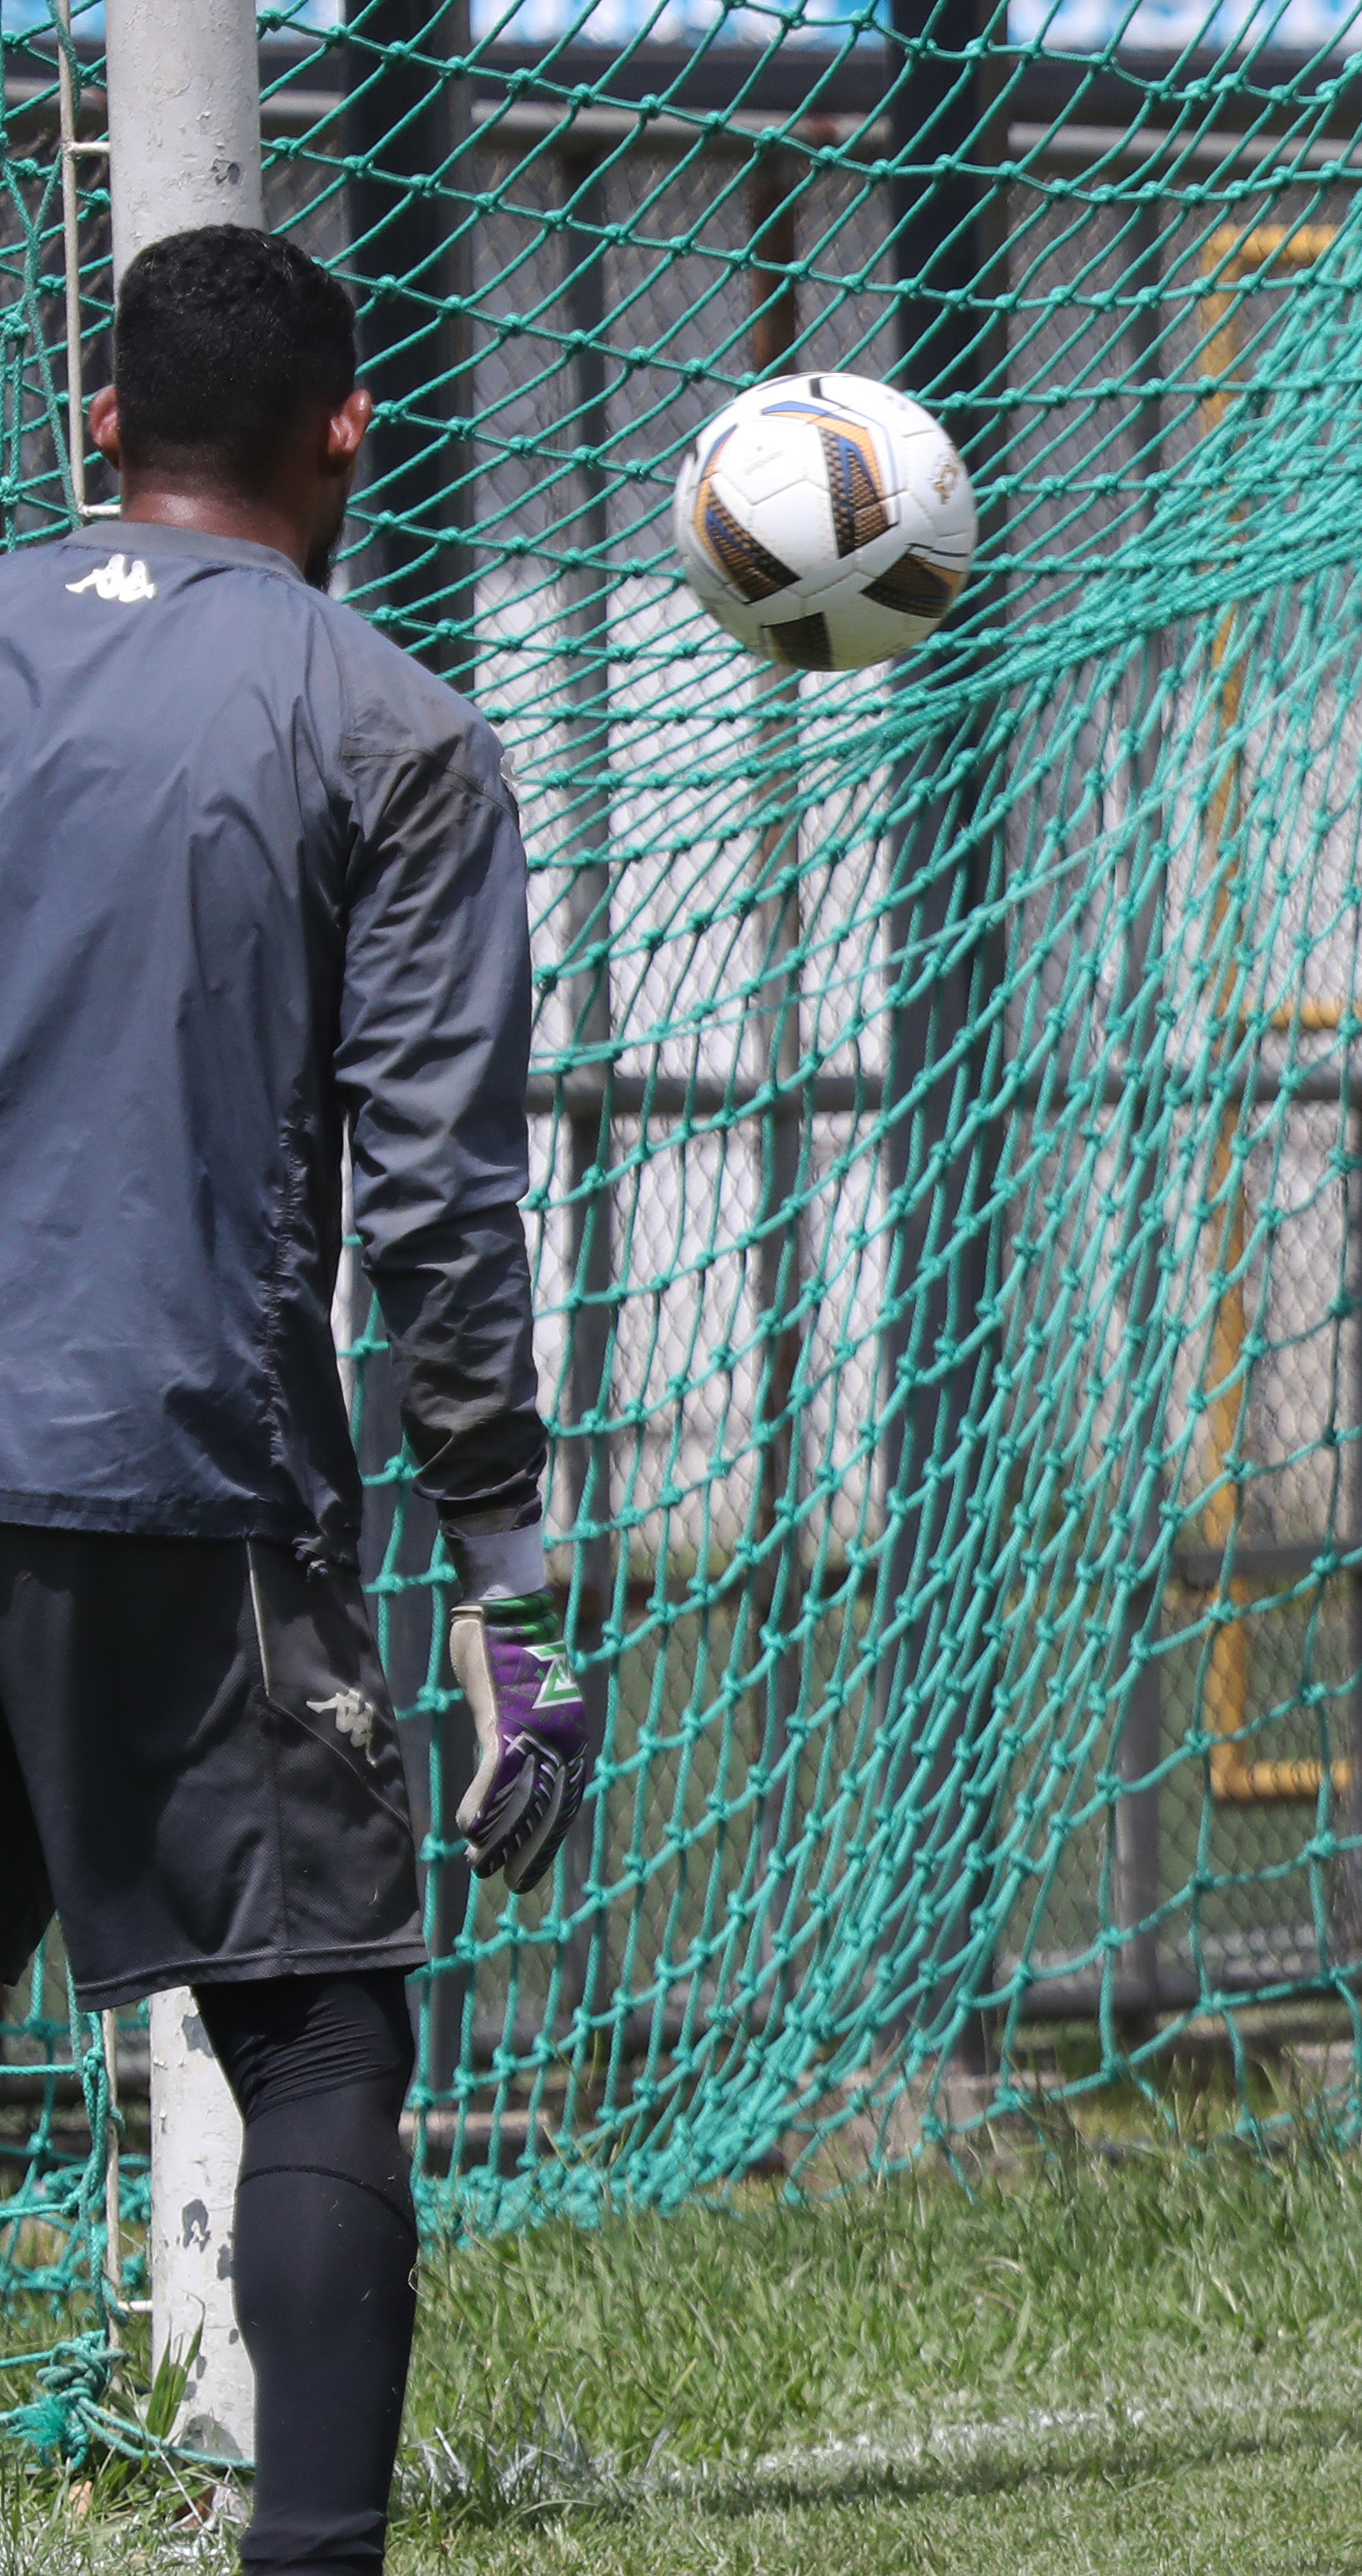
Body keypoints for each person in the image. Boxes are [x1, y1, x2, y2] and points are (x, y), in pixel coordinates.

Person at [0, 227, 593, 2573]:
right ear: (353, 431)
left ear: (97, 431)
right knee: (321, 2038)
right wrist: (511, 1583)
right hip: (189, 1486)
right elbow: (439, 1203)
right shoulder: (393, 729)